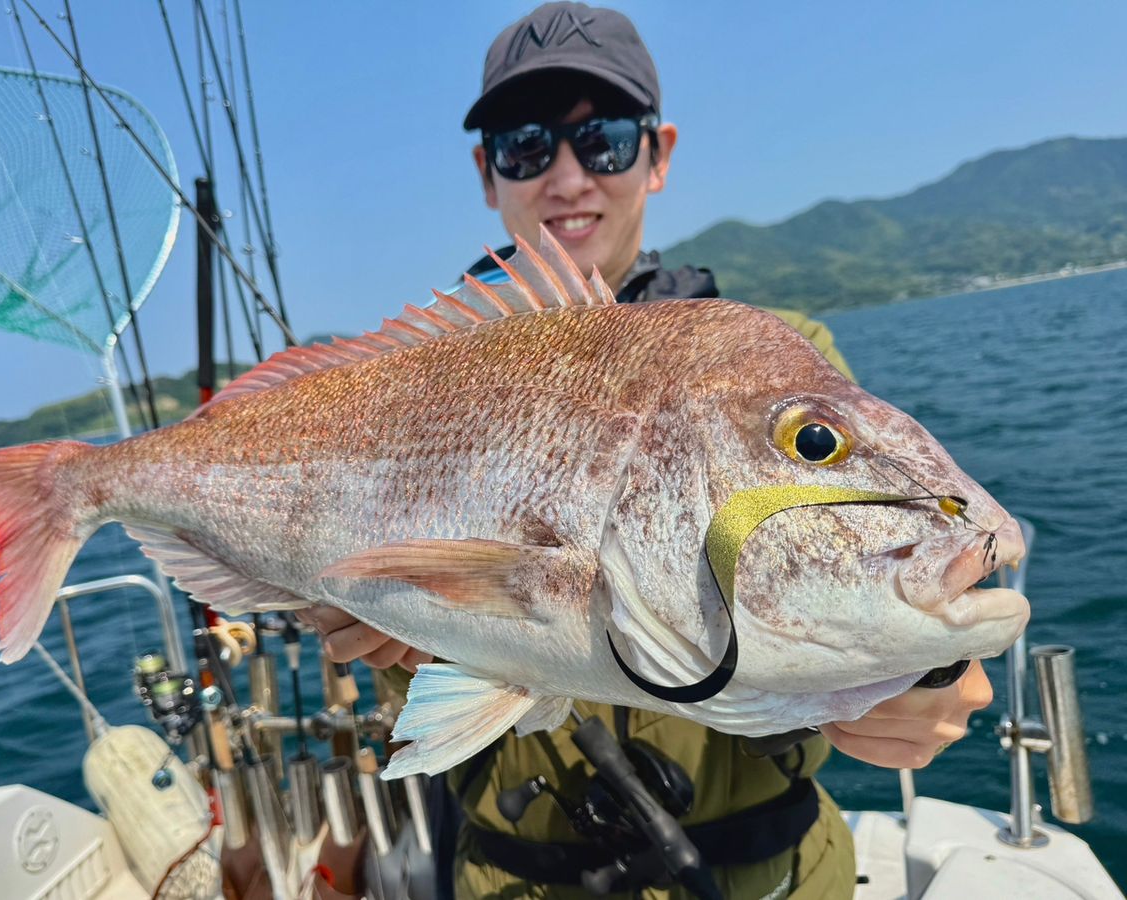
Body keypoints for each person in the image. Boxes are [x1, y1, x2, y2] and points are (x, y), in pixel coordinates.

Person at [303, 4, 994, 897]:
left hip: (771, 876)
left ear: (657, 154)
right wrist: (372, 632)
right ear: (487, 172)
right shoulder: (395, 387)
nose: (565, 178)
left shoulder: (781, 367)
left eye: (606, 141)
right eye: (524, 145)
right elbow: (393, 637)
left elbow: (870, 556)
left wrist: (930, 672)